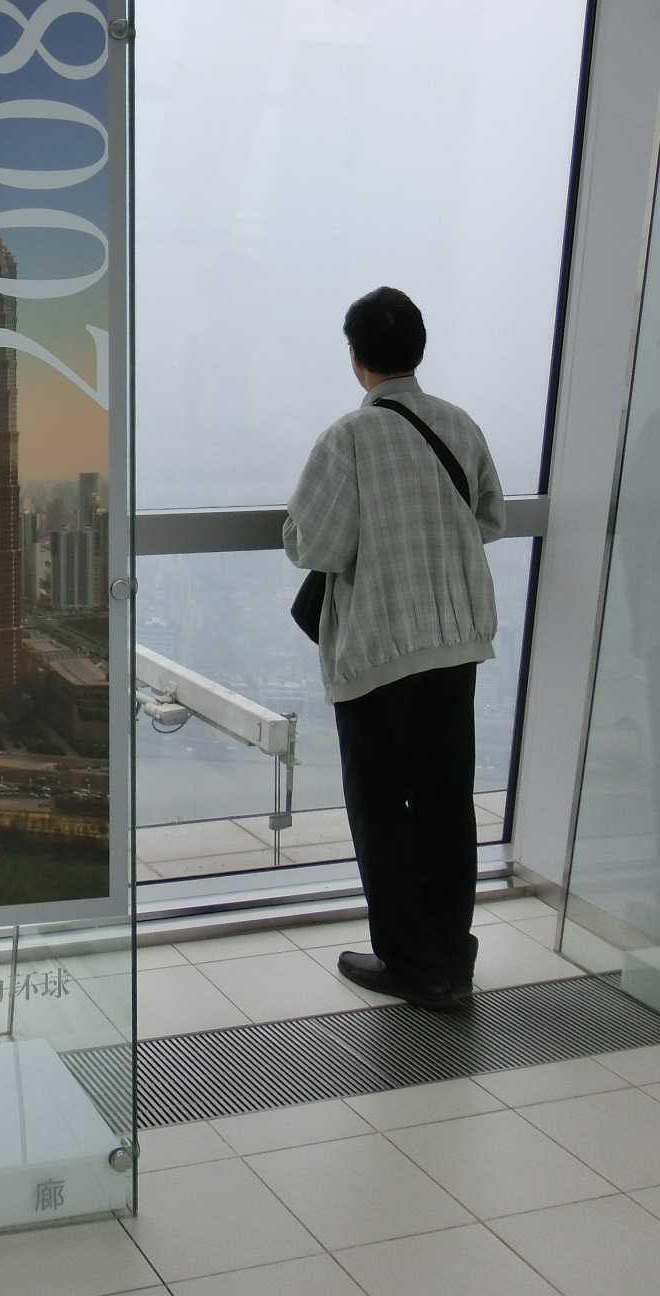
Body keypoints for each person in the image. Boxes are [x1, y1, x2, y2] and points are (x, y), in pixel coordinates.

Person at [284, 286, 504, 1010]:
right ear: (418, 350)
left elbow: (315, 545)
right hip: (455, 639)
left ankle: (412, 965)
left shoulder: (348, 438)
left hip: (380, 644)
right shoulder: (460, 425)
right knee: (446, 800)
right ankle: (451, 956)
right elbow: (489, 520)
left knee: (381, 805)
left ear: (356, 358)